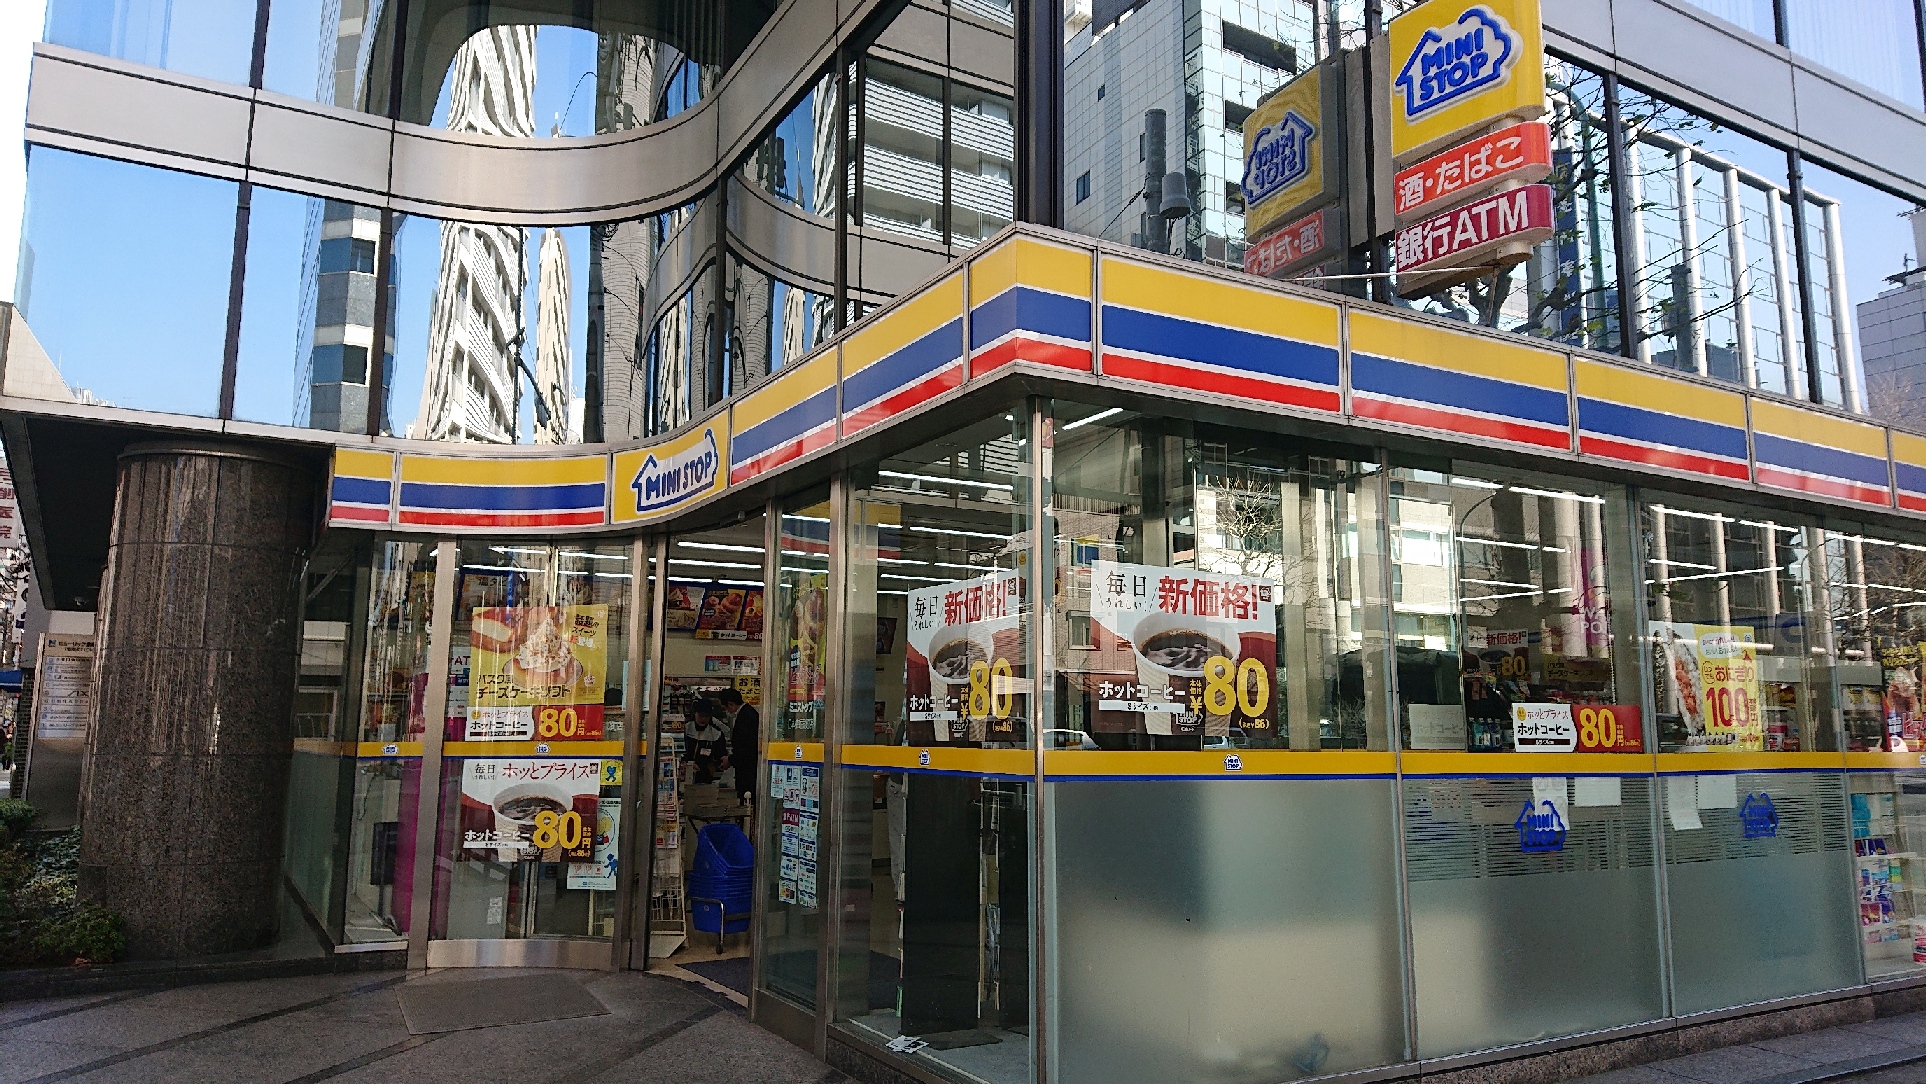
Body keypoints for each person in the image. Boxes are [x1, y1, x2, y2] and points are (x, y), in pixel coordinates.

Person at [718, 688, 760, 806]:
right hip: (748, 772)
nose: (726, 712)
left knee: (747, 803)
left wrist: (730, 760)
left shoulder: (746, 717)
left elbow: (747, 748)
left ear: (731, 704)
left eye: (725, 708)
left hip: (748, 774)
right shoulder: (748, 713)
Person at [686, 699, 727, 784]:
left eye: (707, 716)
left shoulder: (716, 734)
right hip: (684, 773)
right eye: (701, 715)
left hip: (705, 777)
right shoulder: (686, 729)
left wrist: (713, 767)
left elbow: (721, 756)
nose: (703, 719)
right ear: (695, 713)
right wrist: (688, 764)